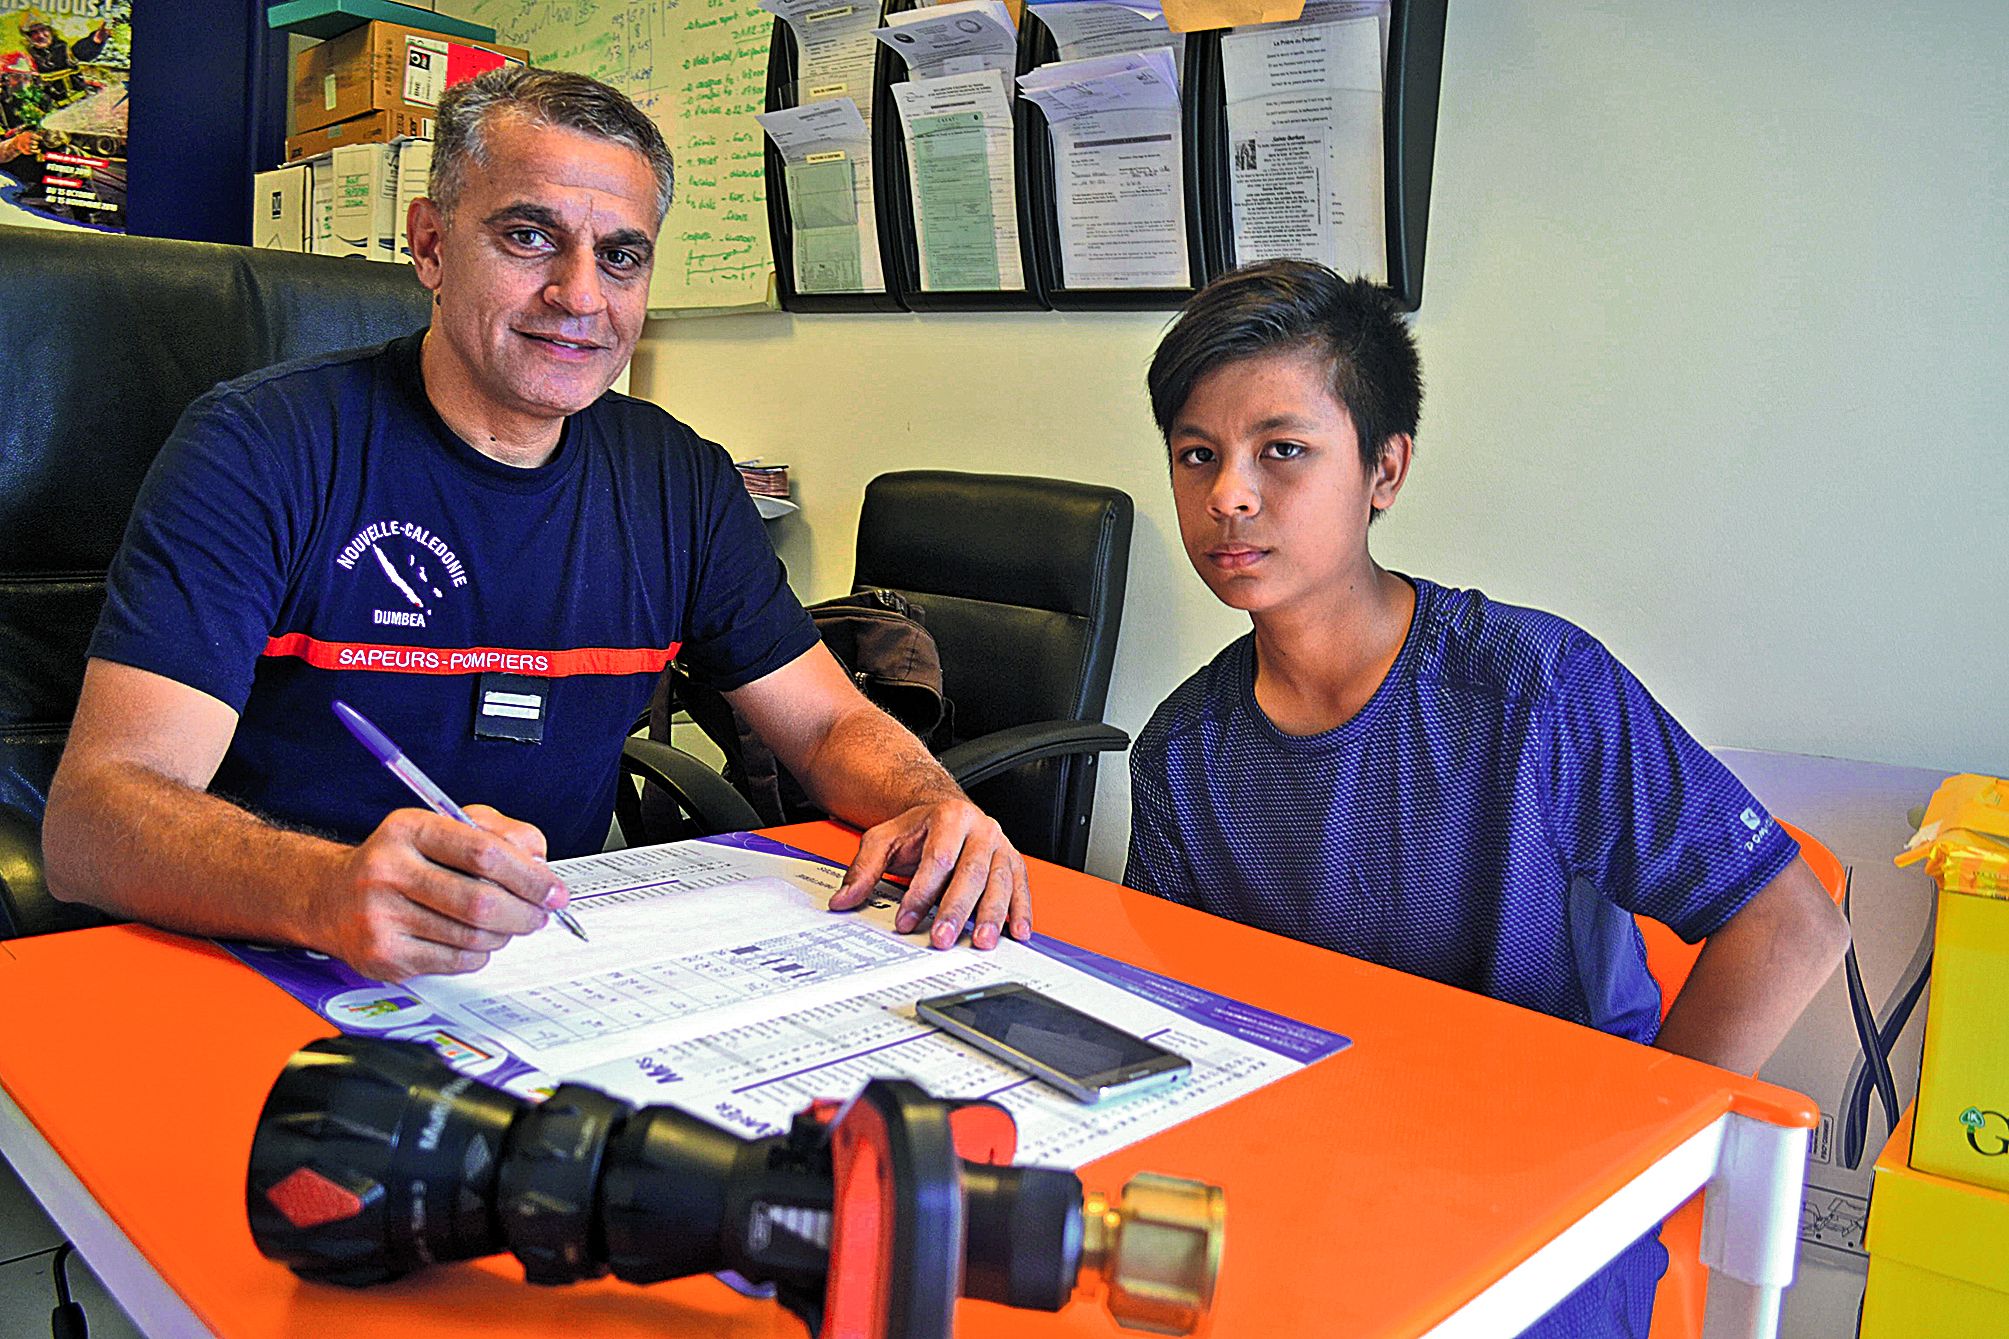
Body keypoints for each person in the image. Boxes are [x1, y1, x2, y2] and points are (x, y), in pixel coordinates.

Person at [43, 67, 1026, 983]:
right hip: (268, 957)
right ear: (431, 245)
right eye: (527, 237)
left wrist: (926, 798)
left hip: (537, 970)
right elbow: (92, 822)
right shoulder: (260, 447)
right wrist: (323, 890)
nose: (579, 296)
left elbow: (823, 721)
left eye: (620, 255)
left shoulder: (675, 476)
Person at [1124, 260, 1850, 1337]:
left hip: (1539, 1211)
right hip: (1307, 1186)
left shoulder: (1530, 689)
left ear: (1383, 468)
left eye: (1282, 449)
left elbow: (1788, 921)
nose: (1229, 492)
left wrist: (1628, 1155)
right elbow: (1180, 1016)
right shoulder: (1180, 750)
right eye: (1197, 454)